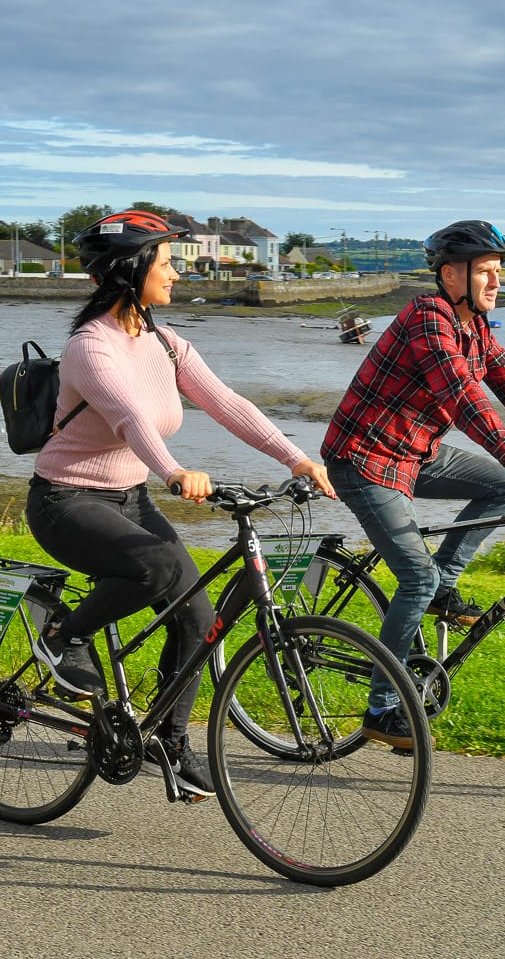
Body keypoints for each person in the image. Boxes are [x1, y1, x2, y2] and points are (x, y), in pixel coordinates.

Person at [26, 209, 334, 799]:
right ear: (129, 270)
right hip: (64, 500)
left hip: (130, 498)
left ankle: (170, 739)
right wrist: (172, 472)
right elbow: (130, 418)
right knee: (157, 567)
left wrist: (296, 458)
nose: (175, 274)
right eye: (165, 264)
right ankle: (62, 634)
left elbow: (228, 403)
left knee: (197, 614)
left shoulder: (166, 343)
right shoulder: (91, 349)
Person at [321, 219, 505, 751]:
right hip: (364, 459)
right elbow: (460, 391)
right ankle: (382, 706)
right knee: (413, 577)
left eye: (499, 272)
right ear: (451, 275)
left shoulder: (474, 326)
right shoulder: (426, 317)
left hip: (415, 455)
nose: (497, 283)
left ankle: (442, 586)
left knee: (502, 485)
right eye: (487, 272)